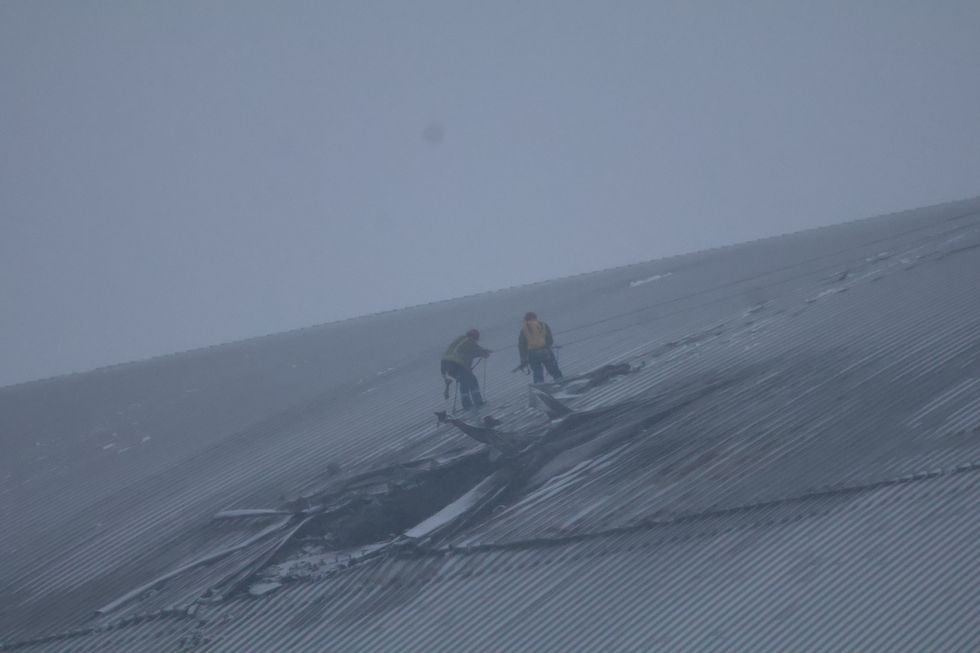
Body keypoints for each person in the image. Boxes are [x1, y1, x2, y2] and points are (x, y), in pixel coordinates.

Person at [441, 329, 491, 410]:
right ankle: (477, 402)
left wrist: (483, 352)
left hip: (445, 363)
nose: (476, 340)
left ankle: (466, 404)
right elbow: (476, 350)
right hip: (457, 363)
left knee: (464, 381)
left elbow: (469, 352)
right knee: (472, 381)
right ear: (474, 337)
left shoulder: (460, 339)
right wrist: (484, 352)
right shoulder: (469, 341)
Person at [518, 312, 563, 384]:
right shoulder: (543, 325)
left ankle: (539, 386)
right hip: (546, 352)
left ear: (526, 319)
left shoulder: (523, 330)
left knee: (537, 372)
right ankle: (561, 382)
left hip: (532, 354)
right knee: (553, 370)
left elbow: (522, 347)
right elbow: (550, 340)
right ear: (535, 318)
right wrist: (547, 346)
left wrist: (523, 360)